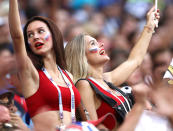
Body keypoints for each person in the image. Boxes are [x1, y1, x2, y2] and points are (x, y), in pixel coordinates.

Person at [65, 6, 160, 130]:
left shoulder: (107, 79)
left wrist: (149, 26)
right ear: (81, 56)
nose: (101, 44)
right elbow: (93, 128)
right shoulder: (84, 85)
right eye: (93, 43)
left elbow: (135, 60)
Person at [8, 0, 81, 131]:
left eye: (40, 31)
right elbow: (17, 37)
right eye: (30, 35)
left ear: (54, 35)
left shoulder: (68, 75)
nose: (35, 37)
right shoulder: (30, 73)